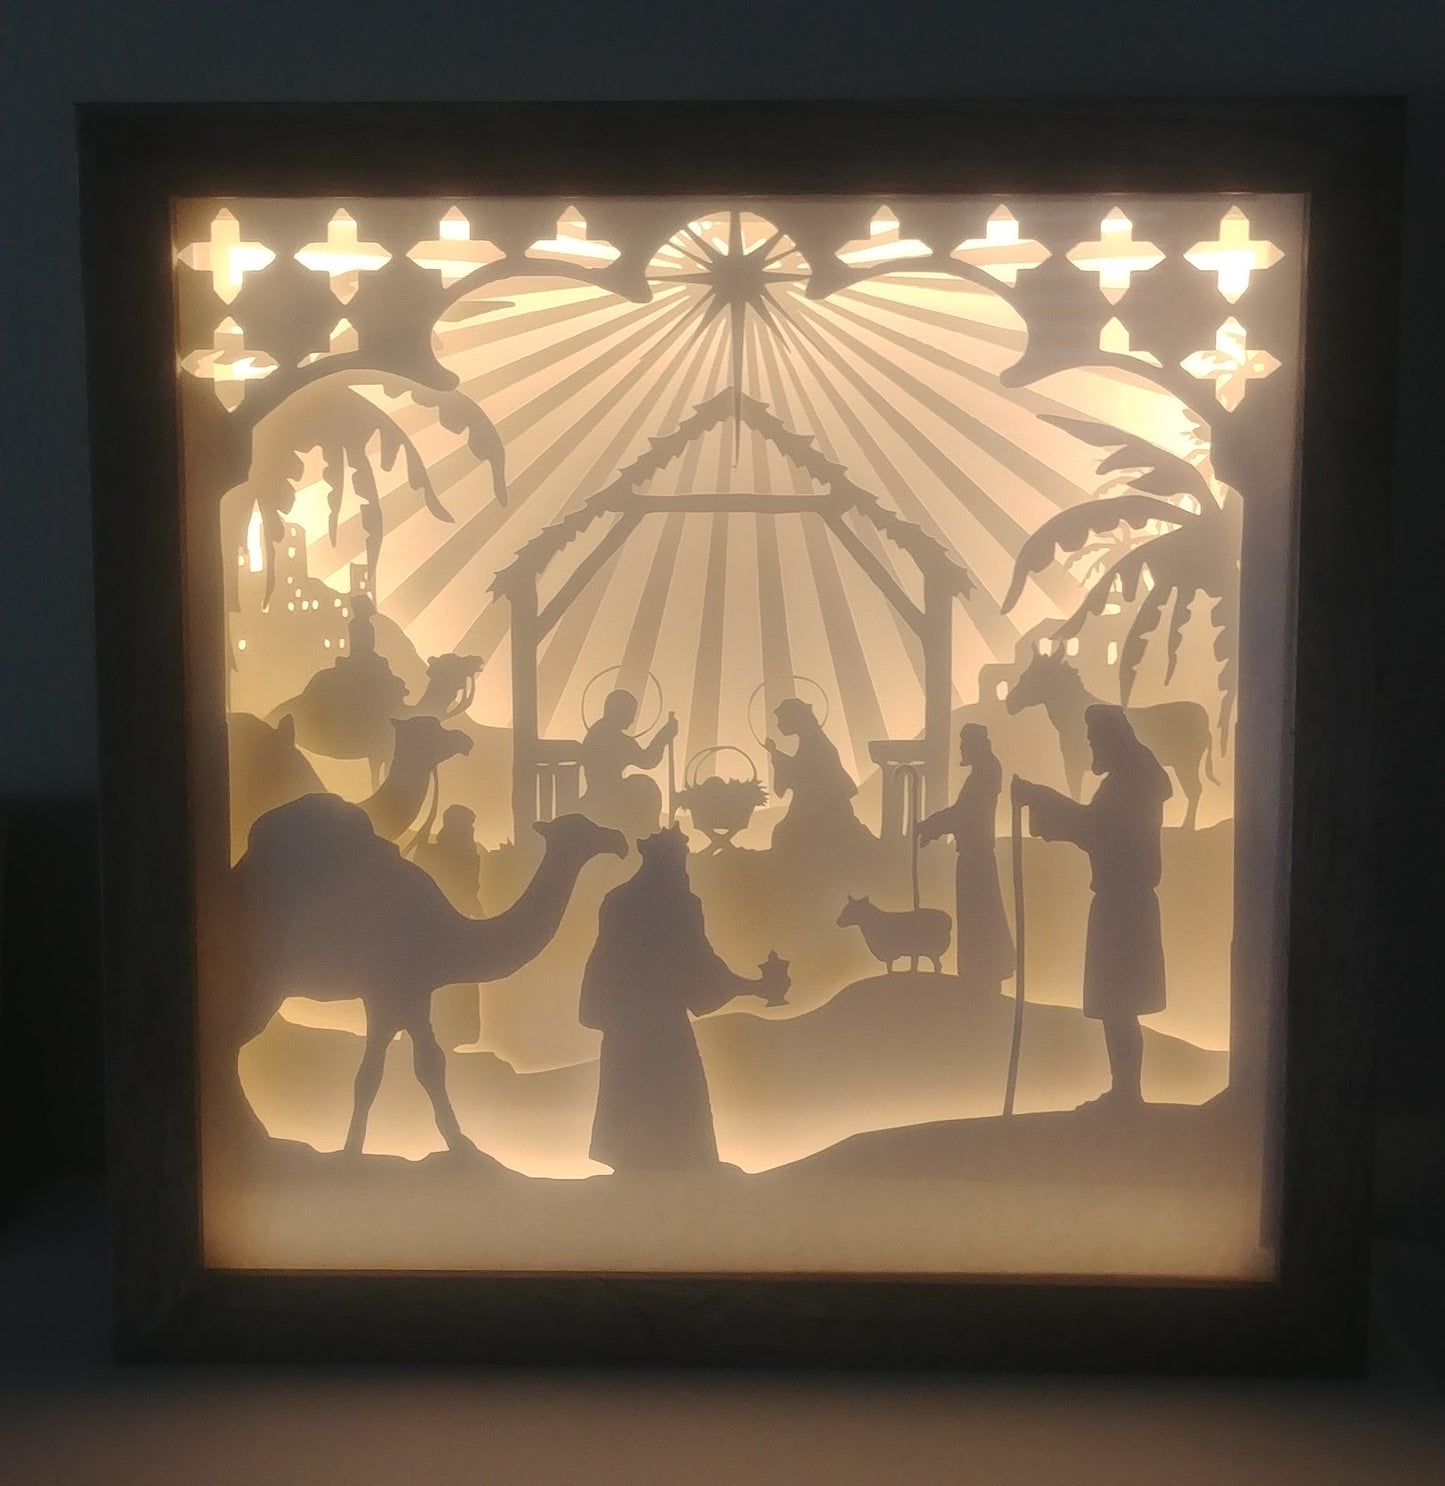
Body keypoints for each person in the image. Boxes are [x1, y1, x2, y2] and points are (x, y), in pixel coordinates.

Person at [579, 824, 788, 1173]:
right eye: (681, 858)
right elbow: (699, 965)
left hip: (625, 1023)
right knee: (674, 1088)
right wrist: (753, 987)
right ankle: (677, 1160)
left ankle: (633, 1158)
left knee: (631, 1087)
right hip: (662, 1024)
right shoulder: (678, 903)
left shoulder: (618, 900)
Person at [1012, 705, 1171, 1111]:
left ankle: (1127, 1093)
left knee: (1119, 1003)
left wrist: (1039, 798)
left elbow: (1096, 830)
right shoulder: (1132, 781)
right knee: (1118, 1006)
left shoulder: (1129, 786)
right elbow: (1095, 827)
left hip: (1123, 906)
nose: (1091, 748)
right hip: (1124, 903)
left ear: (1111, 740)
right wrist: (1042, 799)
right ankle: (1125, 1090)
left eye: (1094, 741)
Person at [916, 724, 1015, 993]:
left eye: (964, 744)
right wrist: (933, 827)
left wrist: (931, 826)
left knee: (979, 915)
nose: (961, 749)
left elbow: (965, 813)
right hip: (974, 855)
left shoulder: (984, 773)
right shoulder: (983, 772)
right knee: (977, 915)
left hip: (976, 857)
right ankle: (981, 973)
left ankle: (983, 973)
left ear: (975, 745)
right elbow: (963, 813)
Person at [764, 697, 871, 857]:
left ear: (794, 719)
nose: (778, 725)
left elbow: (804, 771)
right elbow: (801, 767)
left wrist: (776, 755)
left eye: (781, 719)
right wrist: (776, 754)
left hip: (823, 806)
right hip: (812, 803)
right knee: (783, 833)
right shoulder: (811, 740)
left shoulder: (816, 742)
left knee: (785, 834)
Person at [578, 690, 678, 838]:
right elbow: (648, 760)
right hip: (610, 798)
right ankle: (647, 834)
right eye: (630, 713)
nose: (632, 720)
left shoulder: (597, 731)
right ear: (619, 711)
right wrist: (663, 736)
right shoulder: (614, 739)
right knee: (644, 786)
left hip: (599, 794)